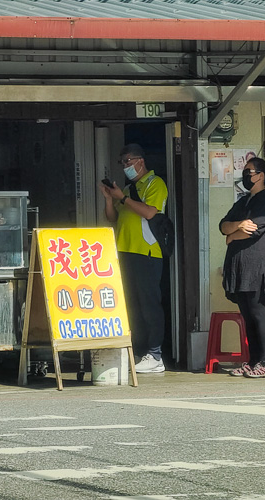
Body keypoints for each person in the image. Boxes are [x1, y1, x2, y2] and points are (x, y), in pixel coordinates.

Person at [100, 143, 169, 374]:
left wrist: (123, 198)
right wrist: (111, 199)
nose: (126, 166)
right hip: (125, 251)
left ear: (141, 160)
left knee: (150, 304)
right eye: (123, 162)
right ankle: (140, 351)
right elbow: (112, 218)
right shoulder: (128, 190)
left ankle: (156, 354)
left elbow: (151, 212)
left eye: (129, 161)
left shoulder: (155, 183)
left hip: (147, 252)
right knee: (133, 305)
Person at [218, 157, 265, 378]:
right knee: (247, 315)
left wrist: (231, 237)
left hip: (259, 266)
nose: (245, 176)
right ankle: (253, 361)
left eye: (249, 172)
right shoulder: (243, 201)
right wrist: (235, 228)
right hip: (241, 267)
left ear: (260, 175)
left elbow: (252, 229)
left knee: (259, 313)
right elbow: (223, 225)